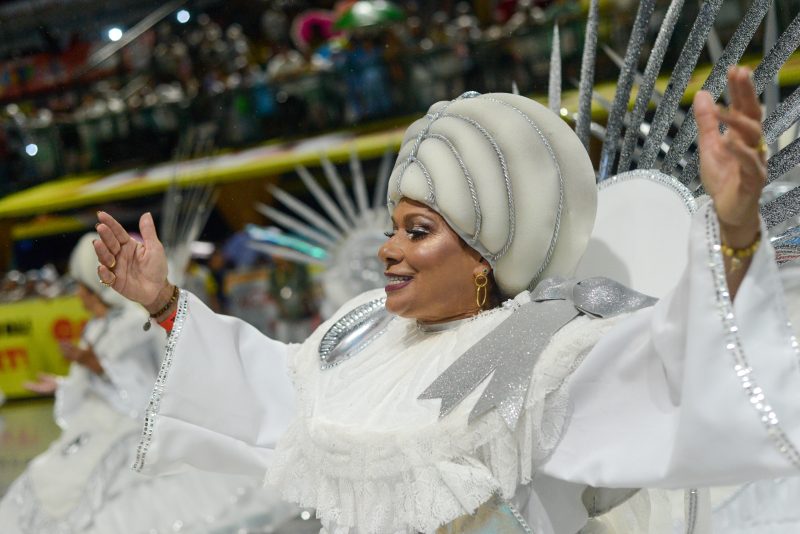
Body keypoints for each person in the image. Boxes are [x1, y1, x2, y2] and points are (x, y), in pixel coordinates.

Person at [93, 67, 800, 533]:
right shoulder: (362, 334)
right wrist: (164, 304)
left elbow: (681, 373)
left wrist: (734, 231)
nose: (390, 249)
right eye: (393, 228)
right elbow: (270, 391)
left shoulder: (546, 351)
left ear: (485, 254)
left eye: (419, 231)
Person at [0, 234, 298, 534]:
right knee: (47, 475)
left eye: (80, 287)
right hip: (93, 423)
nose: (78, 295)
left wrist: (97, 366)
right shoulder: (94, 328)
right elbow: (85, 384)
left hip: (129, 422)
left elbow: (147, 384)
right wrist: (63, 385)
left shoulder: (134, 323)